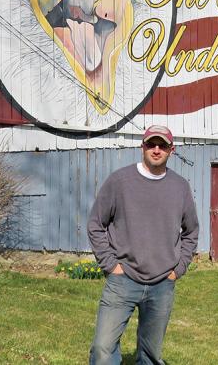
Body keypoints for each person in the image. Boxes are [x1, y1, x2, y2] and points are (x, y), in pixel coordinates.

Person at [87, 124, 199, 365]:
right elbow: (96, 224)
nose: (156, 149)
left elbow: (191, 231)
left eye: (162, 145)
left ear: (171, 149)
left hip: (162, 284)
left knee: (150, 355)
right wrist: (110, 265)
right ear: (142, 147)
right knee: (102, 349)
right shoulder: (119, 181)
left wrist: (177, 270)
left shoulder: (180, 187)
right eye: (151, 144)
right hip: (122, 279)